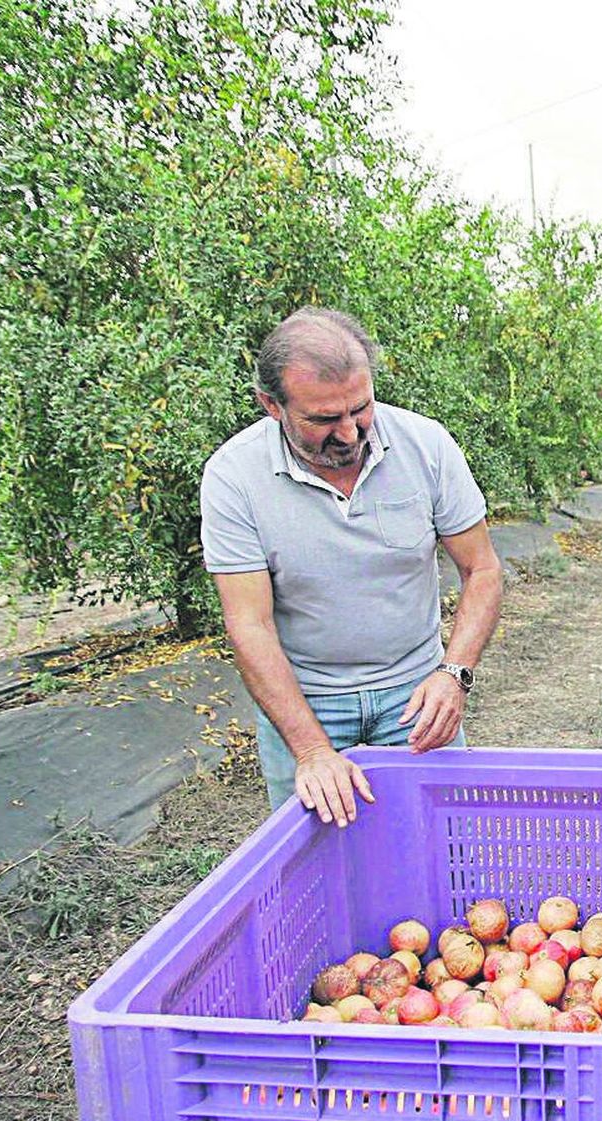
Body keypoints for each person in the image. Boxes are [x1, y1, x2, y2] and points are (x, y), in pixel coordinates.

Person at [200, 307, 503, 827]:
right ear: (271, 404)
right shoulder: (234, 476)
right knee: (319, 855)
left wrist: (453, 675)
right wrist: (311, 750)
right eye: (323, 420)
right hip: (306, 699)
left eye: (360, 409)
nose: (348, 433)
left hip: (416, 690)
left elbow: (483, 572)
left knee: (444, 843)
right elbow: (249, 623)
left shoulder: (425, 445)